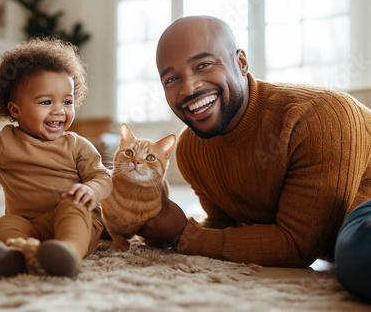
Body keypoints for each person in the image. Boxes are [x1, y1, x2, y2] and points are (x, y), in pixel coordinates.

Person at [136, 15, 371, 300]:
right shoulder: (189, 150)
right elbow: (228, 226)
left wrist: (184, 235)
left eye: (203, 65)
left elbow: (298, 246)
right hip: (340, 240)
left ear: (242, 63)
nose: (188, 88)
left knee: (360, 256)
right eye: (172, 79)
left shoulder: (319, 116)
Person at [0, 37, 112, 278]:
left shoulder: (77, 145)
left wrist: (92, 191)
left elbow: (102, 176)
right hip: (28, 224)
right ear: (15, 110)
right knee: (3, 225)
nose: (59, 110)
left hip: (73, 219)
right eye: (46, 101)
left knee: (73, 206)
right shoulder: (3, 141)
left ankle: (68, 253)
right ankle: (14, 256)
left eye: (67, 101)